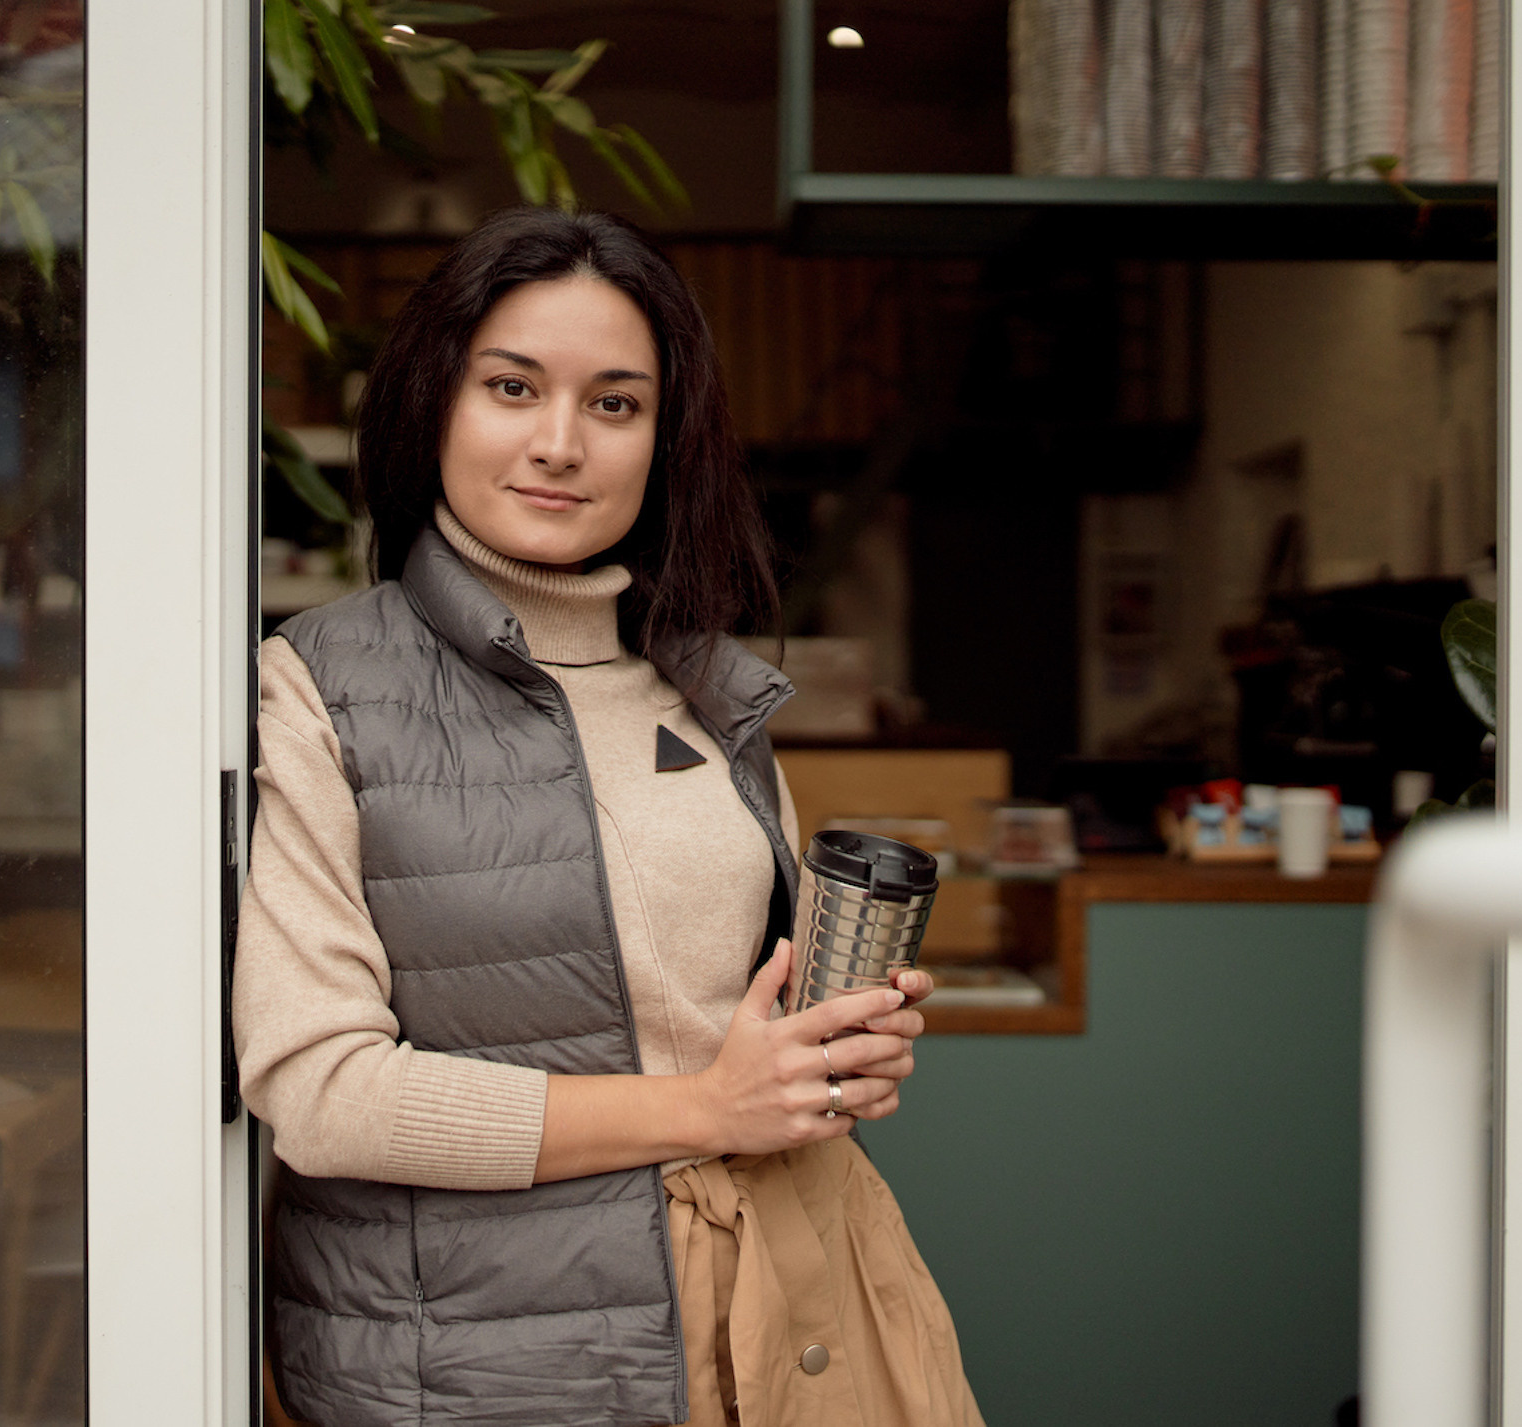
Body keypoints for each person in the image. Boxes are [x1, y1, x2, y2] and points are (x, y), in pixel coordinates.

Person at [233, 206, 983, 1427]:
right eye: (513, 387)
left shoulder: (706, 687)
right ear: (433, 401)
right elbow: (322, 1090)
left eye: (615, 403)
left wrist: (827, 1055)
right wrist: (704, 1107)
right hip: (503, 1358)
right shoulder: (318, 685)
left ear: (662, 437)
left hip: (805, 1297)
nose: (560, 442)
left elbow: (726, 1017)